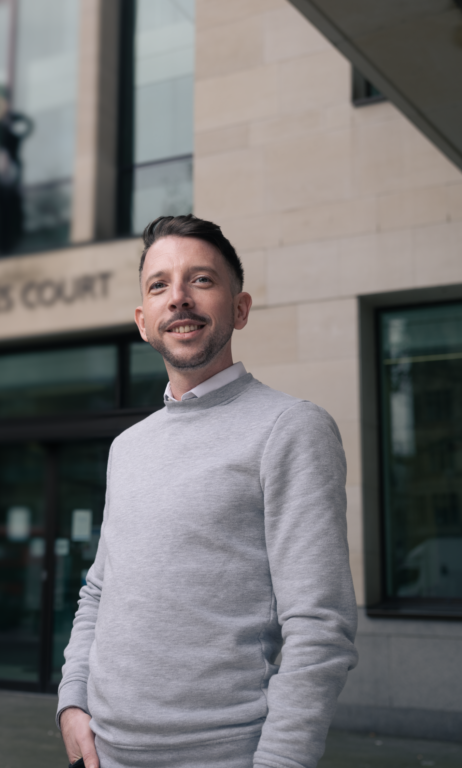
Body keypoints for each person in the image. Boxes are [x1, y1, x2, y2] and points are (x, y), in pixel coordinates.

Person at [56, 215, 358, 768]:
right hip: (104, 755)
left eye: (201, 280)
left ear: (239, 309)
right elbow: (99, 590)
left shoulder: (291, 428)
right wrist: (72, 700)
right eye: (159, 285)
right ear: (143, 322)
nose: (178, 299)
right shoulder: (128, 446)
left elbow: (320, 624)